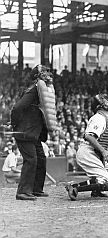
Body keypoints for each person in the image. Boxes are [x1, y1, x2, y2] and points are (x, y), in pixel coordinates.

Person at [10, 64, 56, 200]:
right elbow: (17, 108)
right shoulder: (34, 90)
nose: (48, 74)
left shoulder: (42, 91)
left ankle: (36, 189)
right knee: (31, 160)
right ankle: (22, 192)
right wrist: (14, 124)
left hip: (33, 134)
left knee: (41, 159)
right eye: (45, 72)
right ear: (38, 76)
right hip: (24, 132)